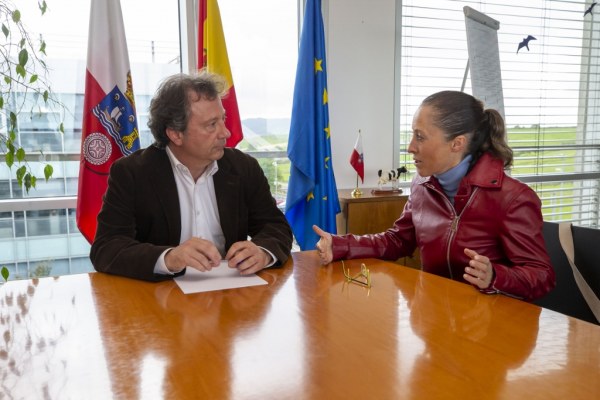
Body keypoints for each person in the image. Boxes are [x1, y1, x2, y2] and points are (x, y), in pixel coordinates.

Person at [313, 90, 555, 302]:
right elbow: (397, 241)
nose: (410, 147)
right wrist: (342, 244)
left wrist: (495, 276)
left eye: (420, 136)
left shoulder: (513, 197)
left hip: (489, 330)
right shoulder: (422, 185)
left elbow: (542, 276)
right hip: (435, 322)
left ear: (457, 143)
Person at [90, 72, 293, 282]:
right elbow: (107, 248)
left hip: (232, 297)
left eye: (223, 119)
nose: (226, 133)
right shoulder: (132, 173)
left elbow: (276, 227)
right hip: (159, 301)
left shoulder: (244, 168)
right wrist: (169, 258)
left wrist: (262, 252)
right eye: (211, 124)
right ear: (176, 134)